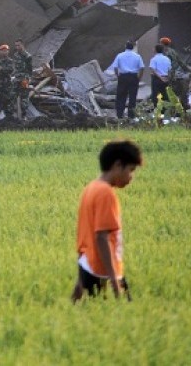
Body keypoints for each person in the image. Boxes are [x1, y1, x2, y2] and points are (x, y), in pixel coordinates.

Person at [71, 140, 142, 303]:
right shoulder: (105, 193)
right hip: (103, 271)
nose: (131, 177)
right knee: (122, 315)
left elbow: (84, 238)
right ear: (117, 165)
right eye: (131, 170)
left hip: (89, 266)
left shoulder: (91, 188)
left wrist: (81, 278)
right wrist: (115, 281)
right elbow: (101, 237)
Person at [110, 41, 144, 119]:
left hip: (123, 77)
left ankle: (119, 114)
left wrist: (118, 75)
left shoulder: (120, 55)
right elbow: (142, 68)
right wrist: (139, 77)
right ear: (133, 47)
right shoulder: (137, 56)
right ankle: (131, 115)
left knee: (121, 96)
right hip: (133, 77)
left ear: (125, 47)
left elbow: (115, 67)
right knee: (132, 97)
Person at [160, 37, 191, 110]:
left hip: (169, 75)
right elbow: (181, 62)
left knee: (169, 93)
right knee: (183, 91)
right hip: (176, 74)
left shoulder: (163, 53)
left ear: (162, 44)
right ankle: (184, 104)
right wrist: (188, 70)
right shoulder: (173, 51)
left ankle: (170, 108)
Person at [12, 39, 34, 120]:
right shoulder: (15, 55)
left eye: (18, 45)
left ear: (22, 45)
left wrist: (28, 79)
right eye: (16, 45)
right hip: (16, 79)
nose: (17, 47)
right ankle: (14, 115)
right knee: (13, 96)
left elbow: (30, 70)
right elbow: (15, 68)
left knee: (24, 98)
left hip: (24, 79)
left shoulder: (28, 56)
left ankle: (24, 115)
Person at [0, 44, 15, 121]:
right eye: (2, 51)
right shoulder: (0, 61)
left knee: (8, 102)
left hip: (6, 85)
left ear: (8, 52)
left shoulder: (10, 61)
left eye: (5, 51)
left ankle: (9, 119)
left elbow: (11, 70)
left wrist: (1, 69)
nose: (3, 52)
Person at [149, 44, 171, 110]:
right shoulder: (167, 59)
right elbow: (169, 69)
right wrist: (167, 78)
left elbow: (153, 70)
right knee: (165, 96)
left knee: (156, 96)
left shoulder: (154, 59)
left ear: (155, 50)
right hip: (165, 78)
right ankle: (166, 112)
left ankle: (158, 112)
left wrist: (160, 77)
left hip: (157, 79)